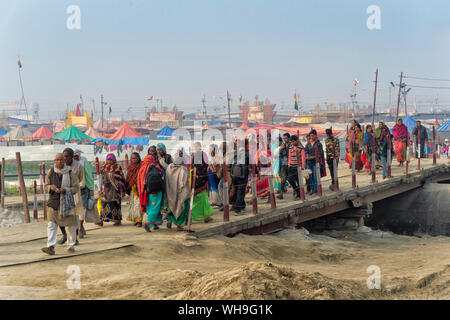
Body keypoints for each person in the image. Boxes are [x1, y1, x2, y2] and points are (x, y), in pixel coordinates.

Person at [41, 153, 80, 255]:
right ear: (54, 161)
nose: (59, 162)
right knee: (51, 225)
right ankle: (51, 247)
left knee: (70, 225)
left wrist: (66, 190)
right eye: (57, 160)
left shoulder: (70, 173)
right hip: (53, 203)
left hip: (67, 203)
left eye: (61, 160)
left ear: (64, 161)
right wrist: (51, 188)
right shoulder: (51, 172)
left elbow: (76, 188)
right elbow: (46, 186)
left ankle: (71, 245)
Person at [57, 148, 84, 246]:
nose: (65, 158)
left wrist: (72, 186)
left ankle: (74, 238)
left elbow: (80, 178)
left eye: (67, 156)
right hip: (61, 193)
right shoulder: (60, 166)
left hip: (74, 194)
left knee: (74, 218)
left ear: (72, 157)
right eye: (64, 156)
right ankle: (64, 235)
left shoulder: (79, 166)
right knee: (60, 216)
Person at [137, 154, 164, 232]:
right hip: (156, 191)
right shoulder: (156, 167)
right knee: (155, 208)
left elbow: (139, 182)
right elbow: (162, 174)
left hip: (145, 193)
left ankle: (154, 225)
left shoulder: (141, 169)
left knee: (149, 208)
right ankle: (148, 223)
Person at [164, 153, 190, 230]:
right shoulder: (183, 170)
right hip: (180, 192)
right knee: (181, 208)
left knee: (172, 207)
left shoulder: (169, 167)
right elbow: (184, 183)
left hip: (170, 192)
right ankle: (179, 225)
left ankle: (170, 220)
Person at [98, 154, 125, 226]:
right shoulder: (103, 167)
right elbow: (102, 179)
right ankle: (101, 220)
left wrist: (121, 189)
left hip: (115, 189)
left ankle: (118, 220)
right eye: (108, 160)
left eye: (111, 160)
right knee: (103, 204)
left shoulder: (117, 167)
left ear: (114, 160)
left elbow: (120, 179)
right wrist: (100, 189)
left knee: (115, 204)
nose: (109, 162)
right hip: (105, 189)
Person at [190, 142, 215, 221]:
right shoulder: (193, 155)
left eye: (197, 146)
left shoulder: (202, 154)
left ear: (200, 147)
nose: (196, 148)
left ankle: (206, 216)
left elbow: (206, 164)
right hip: (196, 179)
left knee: (203, 197)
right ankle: (192, 215)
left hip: (201, 179)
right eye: (195, 146)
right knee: (196, 198)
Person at [73, 149, 94, 238]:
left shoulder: (84, 161)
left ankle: (81, 225)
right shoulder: (68, 163)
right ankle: (77, 227)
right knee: (74, 208)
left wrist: (91, 188)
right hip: (72, 189)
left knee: (83, 208)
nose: (75, 158)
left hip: (83, 188)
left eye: (77, 156)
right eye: (74, 156)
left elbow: (88, 174)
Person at [124, 152, 143, 226]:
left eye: (135, 158)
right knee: (133, 204)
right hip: (132, 188)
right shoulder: (130, 167)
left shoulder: (141, 165)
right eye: (132, 158)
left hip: (139, 188)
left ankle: (139, 221)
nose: (134, 159)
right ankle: (135, 219)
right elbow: (128, 177)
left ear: (138, 158)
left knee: (138, 204)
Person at [305, 130, 324, 195]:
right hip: (308, 163)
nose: (311, 137)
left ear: (316, 135)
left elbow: (320, 154)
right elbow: (306, 152)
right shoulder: (308, 144)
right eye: (310, 136)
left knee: (316, 177)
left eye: (312, 136)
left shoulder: (319, 144)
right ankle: (313, 189)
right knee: (309, 177)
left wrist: (312, 157)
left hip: (316, 163)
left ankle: (316, 191)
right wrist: (307, 156)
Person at [286, 135, 303, 199]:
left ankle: (299, 195)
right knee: (289, 179)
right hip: (291, 166)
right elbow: (289, 157)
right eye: (291, 142)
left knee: (298, 181)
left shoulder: (301, 148)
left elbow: (303, 157)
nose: (292, 143)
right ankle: (298, 191)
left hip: (298, 167)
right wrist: (289, 165)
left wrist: (303, 166)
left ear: (296, 141)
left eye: (293, 141)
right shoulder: (290, 148)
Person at [277, 133, 290, 199]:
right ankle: (281, 194)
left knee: (291, 179)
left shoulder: (291, 145)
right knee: (283, 180)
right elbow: (280, 154)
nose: (285, 140)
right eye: (284, 138)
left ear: (289, 138)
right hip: (284, 164)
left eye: (286, 138)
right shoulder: (283, 146)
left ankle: (297, 192)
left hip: (290, 164)